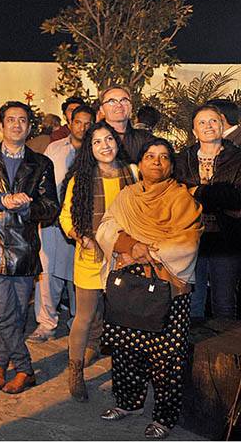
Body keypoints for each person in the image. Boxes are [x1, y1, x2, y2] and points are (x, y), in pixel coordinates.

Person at [96, 138, 202, 439]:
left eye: (164, 157)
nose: (157, 161)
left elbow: (187, 242)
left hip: (168, 287)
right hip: (129, 284)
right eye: (150, 156)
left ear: (171, 165)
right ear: (139, 164)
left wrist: (147, 252)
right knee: (126, 350)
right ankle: (128, 402)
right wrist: (129, 245)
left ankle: (164, 418)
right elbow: (106, 227)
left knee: (166, 357)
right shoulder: (127, 195)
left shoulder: (182, 199)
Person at [0, 101, 60, 394]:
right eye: (11, 120)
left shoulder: (41, 164)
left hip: (25, 250)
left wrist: (28, 208)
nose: (17, 125)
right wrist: (2, 200)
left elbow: (51, 208)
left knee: (16, 315)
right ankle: (26, 368)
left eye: (23, 120)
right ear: (1, 125)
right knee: (4, 313)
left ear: (29, 127)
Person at [58, 121, 135, 402]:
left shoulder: (133, 173)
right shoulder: (82, 178)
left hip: (124, 258)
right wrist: (83, 238)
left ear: (117, 141)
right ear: (90, 149)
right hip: (90, 256)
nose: (105, 145)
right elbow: (66, 217)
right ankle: (75, 372)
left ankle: (127, 374)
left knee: (124, 319)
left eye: (109, 139)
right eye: (97, 142)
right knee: (84, 316)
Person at [28, 105, 95, 344]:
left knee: (79, 276)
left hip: (84, 225)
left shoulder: (97, 151)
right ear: (70, 122)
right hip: (52, 221)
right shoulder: (54, 149)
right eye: (79, 122)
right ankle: (46, 323)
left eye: (88, 124)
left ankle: (79, 323)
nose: (83, 128)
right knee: (47, 273)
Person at [175, 105, 241, 319]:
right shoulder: (182, 159)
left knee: (224, 303)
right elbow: (177, 196)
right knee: (193, 302)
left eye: (213, 121)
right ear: (194, 131)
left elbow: (237, 198)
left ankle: (224, 352)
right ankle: (193, 351)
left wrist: (198, 191)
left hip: (227, 238)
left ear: (222, 126)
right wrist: (217, 194)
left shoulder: (237, 157)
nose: (208, 126)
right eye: (201, 122)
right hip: (191, 237)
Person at [97, 85, 154, 163]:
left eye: (124, 100)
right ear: (102, 110)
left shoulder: (145, 139)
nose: (119, 105)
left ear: (131, 107)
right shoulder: (91, 137)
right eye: (112, 101)